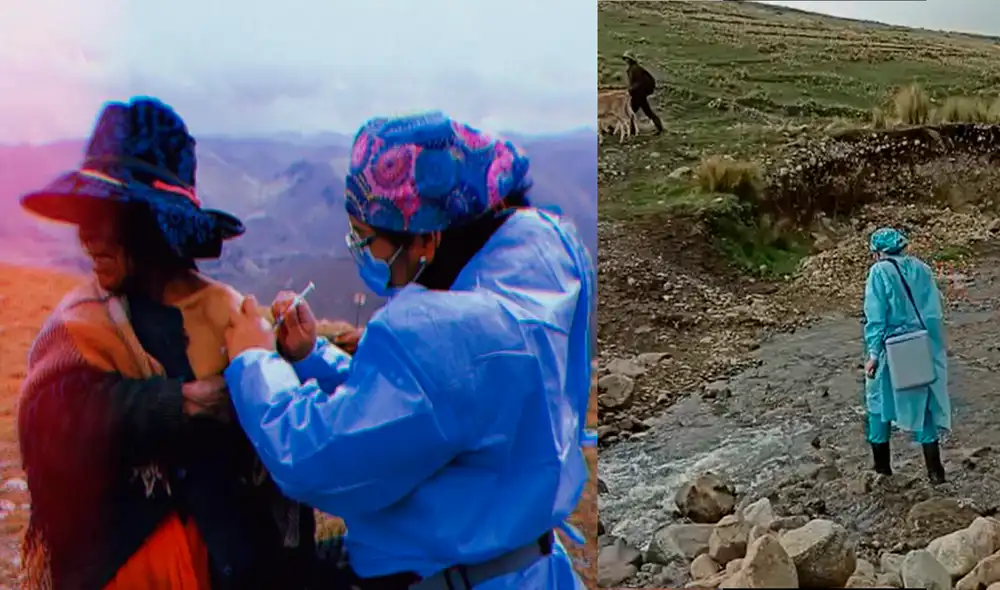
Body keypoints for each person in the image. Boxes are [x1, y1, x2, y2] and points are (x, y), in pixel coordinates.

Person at [222, 112, 596, 589]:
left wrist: (254, 361)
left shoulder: (441, 333)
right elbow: (421, 409)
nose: (362, 252)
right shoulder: (544, 263)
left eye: (367, 239)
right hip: (531, 568)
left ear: (426, 237)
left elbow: (317, 458)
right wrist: (314, 356)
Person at [17, 97, 316, 590]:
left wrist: (290, 358)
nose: (88, 238)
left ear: (152, 225)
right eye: (85, 217)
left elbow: (288, 443)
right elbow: (53, 422)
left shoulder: (230, 319)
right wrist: (182, 402)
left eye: (107, 217)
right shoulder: (83, 326)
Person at [863, 227, 950, 484]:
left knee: (878, 405)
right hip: (920, 345)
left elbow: (876, 317)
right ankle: (936, 475)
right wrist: (934, 346)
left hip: (890, 349)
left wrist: (873, 354)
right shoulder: (922, 268)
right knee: (923, 405)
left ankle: (883, 474)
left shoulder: (879, 271)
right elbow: (934, 312)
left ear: (878, 251)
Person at [623, 50, 664, 135]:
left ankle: (632, 130)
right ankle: (659, 128)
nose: (626, 60)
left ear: (631, 59)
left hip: (638, 95)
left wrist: (631, 89)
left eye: (627, 59)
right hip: (638, 94)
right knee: (644, 112)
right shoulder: (633, 69)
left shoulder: (635, 69)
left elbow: (638, 82)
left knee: (631, 113)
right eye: (625, 59)